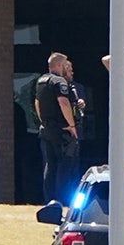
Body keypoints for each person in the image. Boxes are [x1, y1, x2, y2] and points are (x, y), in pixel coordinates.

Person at [34, 52, 78, 204]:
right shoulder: (59, 81)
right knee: (64, 166)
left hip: (47, 130)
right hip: (61, 131)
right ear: (59, 65)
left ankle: (50, 200)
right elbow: (64, 103)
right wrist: (72, 125)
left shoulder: (41, 81)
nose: (67, 67)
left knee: (50, 166)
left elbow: (37, 104)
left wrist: (44, 121)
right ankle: (62, 200)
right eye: (65, 64)